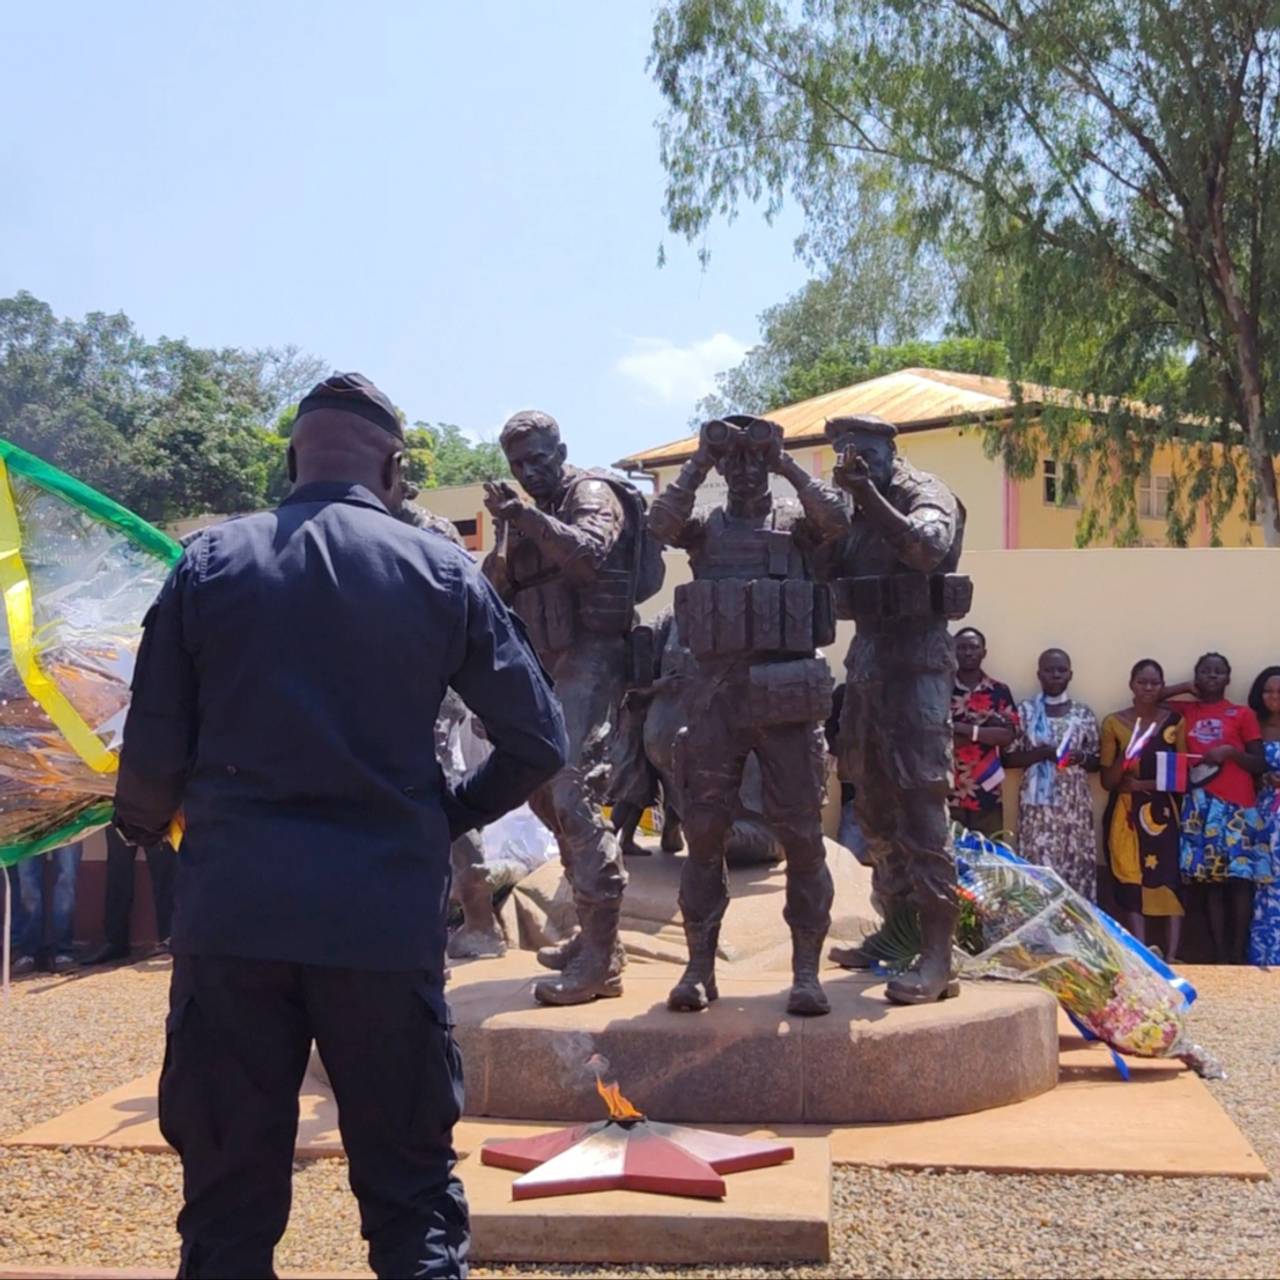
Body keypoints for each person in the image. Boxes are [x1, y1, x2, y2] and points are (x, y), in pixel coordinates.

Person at [114, 372, 568, 1280]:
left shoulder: (208, 563)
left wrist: (143, 828)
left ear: (291, 461)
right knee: (411, 1201)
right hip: (380, 928)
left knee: (226, 1208)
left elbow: (150, 756)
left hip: (233, 922)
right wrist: (446, 813)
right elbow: (538, 740)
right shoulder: (439, 571)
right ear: (395, 470)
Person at [646, 414, 842, 1016]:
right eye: (736, 461)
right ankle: (699, 968)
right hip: (714, 699)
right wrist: (699, 459)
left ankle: (806, 974)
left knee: (803, 839)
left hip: (785, 700)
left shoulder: (797, 524)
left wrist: (786, 461)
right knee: (703, 837)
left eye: (754, 460)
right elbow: (658, 526)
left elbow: (837, 521)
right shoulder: (705, 529)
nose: (746, 469)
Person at [483, 410, 660, 1005]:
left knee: (569, 787)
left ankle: (604, 959)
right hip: (540, 657)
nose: (530, 472)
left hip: (592, 653)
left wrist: (525, 518)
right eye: (518, 464)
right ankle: (591, 934)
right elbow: (498, 585)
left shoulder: (592, 493)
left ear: (560, 448)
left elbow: (589, 556)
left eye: (538, 457)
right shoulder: (519, 513)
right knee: (540, 789)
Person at [814, 414, 968, 1004]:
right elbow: (821, 569)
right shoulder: (850, 510)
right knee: (873, 809)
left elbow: (927, 548)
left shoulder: (923, 492)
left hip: (919, 660)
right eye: (844, 452)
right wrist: (823, 524)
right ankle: (896, 931)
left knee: (922, 807)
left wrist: (868, 498)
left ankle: (938, 959)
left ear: (889, 449)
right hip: (870, 659)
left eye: (865, 452)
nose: (854, 461)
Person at [1167, 653, 1268, 964]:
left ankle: (1237, 954)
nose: (1212, 676)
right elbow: (1150, 697)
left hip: (1238, 807)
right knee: (1209, 883)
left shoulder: (1242, 714)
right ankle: (1219, 955)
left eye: (1218, 672)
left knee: (1238, 882)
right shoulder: (1185, 711)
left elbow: (1259, 762)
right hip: (1200, 805)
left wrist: (1230, 753)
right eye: (1205, 672)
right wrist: (1185, 686)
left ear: (1228, 677)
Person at [1099, 660, 1188, 960]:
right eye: (1142, 682)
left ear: (1161, 686)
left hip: (1164, 812)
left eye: (1154, 683)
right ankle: (1141, 952)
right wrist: (1126, 759)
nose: (1148, 688)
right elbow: (1108, 781)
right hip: (1125, 814)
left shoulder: (1174, 722)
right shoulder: (1114, 723)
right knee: (1129, 875)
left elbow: (1180, 777)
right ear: (1131, 685)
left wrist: (1141, 784)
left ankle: (1172, 955)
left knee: (1168, 876)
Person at [1005, 649, 1100, 899]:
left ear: (1070, 674)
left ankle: (1077, 932)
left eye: (1061, 670)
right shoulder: (1025, 711)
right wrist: (1044, 753)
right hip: (1038, 808)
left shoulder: (1083, 714)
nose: (1055, 675)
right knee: (1038, 864)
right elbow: (1008, 758)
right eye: (1049, 670)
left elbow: (1096, 762)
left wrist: (1079, 758)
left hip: (1074, 807)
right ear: (1039, 674)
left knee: (1075, 863)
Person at [949, 628, 1017, 836]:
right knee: (948, 858)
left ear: (984, 652)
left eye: (974, 647)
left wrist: (962, 728)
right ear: (952, 651)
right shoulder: (939, 689)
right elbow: (935, 734)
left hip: (987, 790)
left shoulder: (999, 691)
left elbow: (1007, 736)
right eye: (962, 648)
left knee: (990, 857)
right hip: (947, 790)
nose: (968, 653)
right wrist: (986, 731)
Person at [82, 827, 176, 965]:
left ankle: (168, 940)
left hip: (156, 812)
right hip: (120, 812)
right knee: (118, 872)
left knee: (163, 874)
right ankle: (115, 942)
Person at [1246, 666, 1280, 966]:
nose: (1274, 697)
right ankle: (1266, 953)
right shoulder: (1253, 725)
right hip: (1263, 814)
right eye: (1268, 690)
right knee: (1266, 881)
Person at [9, 841, 83, 974]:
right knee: (27, 882)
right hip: (27, 822)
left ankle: (63, 951)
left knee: (67, 877)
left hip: (69, 820)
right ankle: (27, 953)